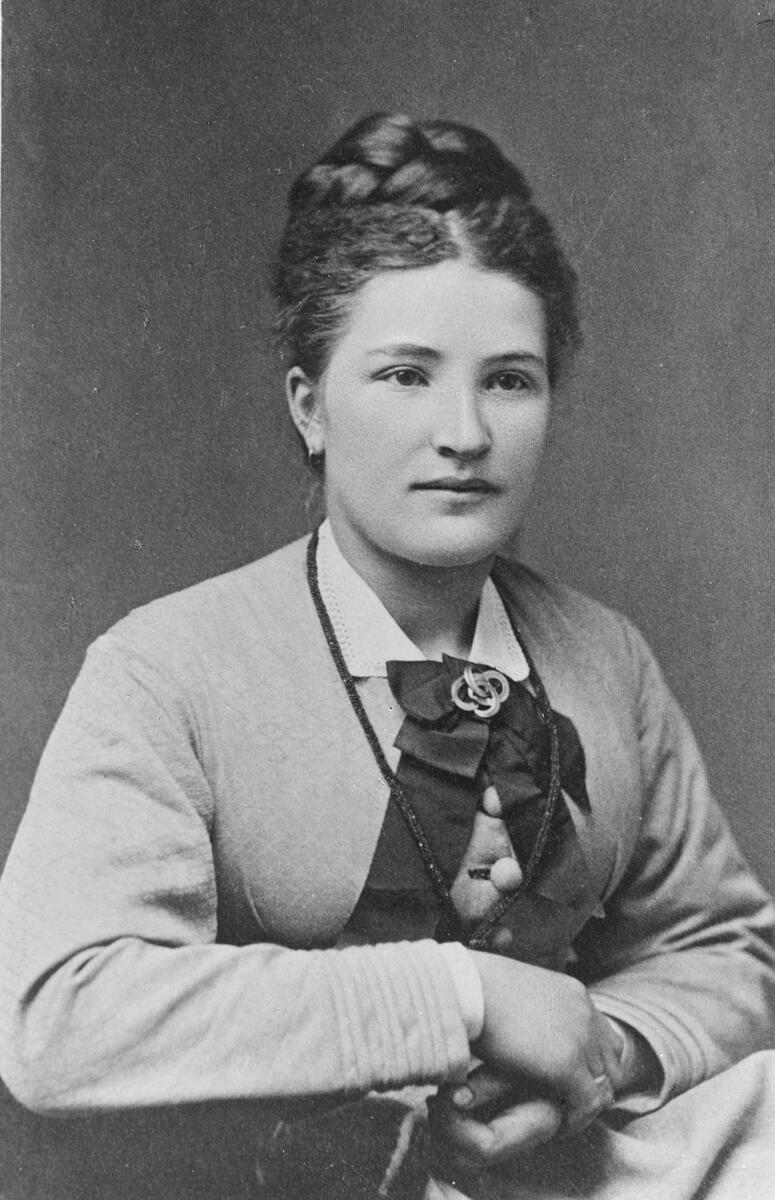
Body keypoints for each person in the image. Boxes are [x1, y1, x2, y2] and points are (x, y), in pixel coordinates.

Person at [0, 112, 774, 1200]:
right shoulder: (168, 669)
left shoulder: (602, 657)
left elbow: (727, 948)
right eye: (406, 376)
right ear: (309, 407)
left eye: (509, 380)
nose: (465, 432)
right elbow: (58, 1012)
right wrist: (464, 1000)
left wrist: (603, 1051)